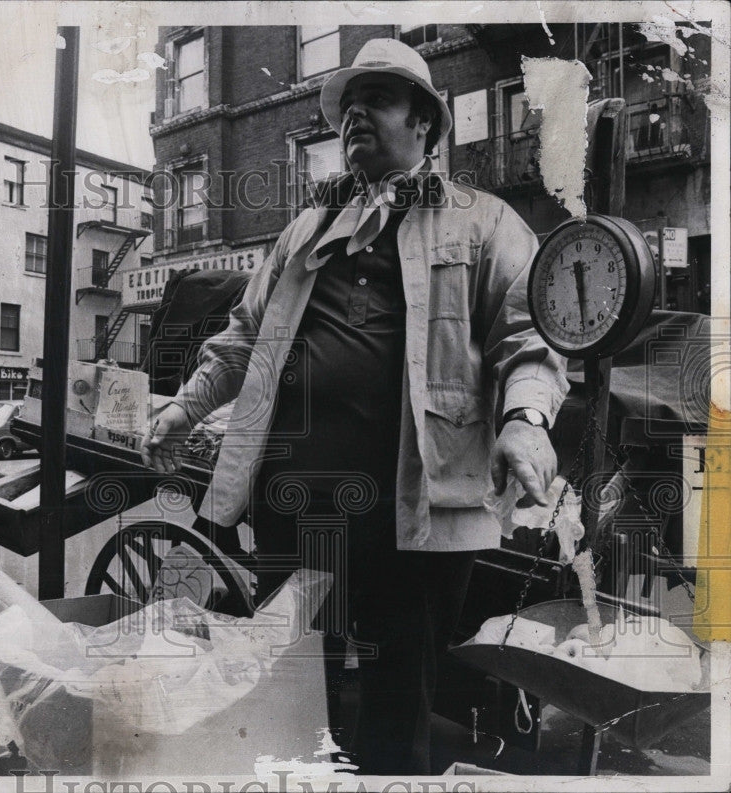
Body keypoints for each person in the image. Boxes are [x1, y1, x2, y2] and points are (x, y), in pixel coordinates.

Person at [143, 38, 569, 775]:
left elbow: (530, 337)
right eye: (350, 105)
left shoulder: (485, 223)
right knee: (287, 695)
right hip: (293, 509)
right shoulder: (304, 232)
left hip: (416, 524)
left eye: (378, 99)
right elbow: (240, 338)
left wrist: (525, 423)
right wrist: (185, 407)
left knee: (396, 708)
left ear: (426, 125)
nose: (356, 116)